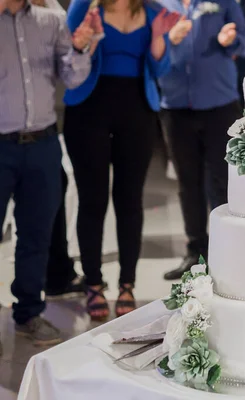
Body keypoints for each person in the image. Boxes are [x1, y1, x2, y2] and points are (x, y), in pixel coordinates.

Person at [63, 0, 180, 320]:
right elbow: (66, 59)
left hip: (137, 112)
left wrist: (158, 38)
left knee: (130, 200)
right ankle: (94, 283)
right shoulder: (84, 7)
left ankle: (128, 283)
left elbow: (162, 69)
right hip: (88, 110)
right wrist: (84, 41)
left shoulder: (154, 12)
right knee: (92, 199)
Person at [0, 0, 93, 346]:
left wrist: (81, 49)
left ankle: (28, 313)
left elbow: (72, 77)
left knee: (36, 236)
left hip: (42, 144)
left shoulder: (52, 20)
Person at [158, 0, 245, 280]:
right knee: (187, 182)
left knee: (224, 181)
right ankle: (195, 252)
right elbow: (149, 50)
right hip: (174, 106)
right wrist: (168, 39)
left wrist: (231, 40)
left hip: (220, 105)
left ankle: (229, 252)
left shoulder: (224, 3)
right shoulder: (158, 5)